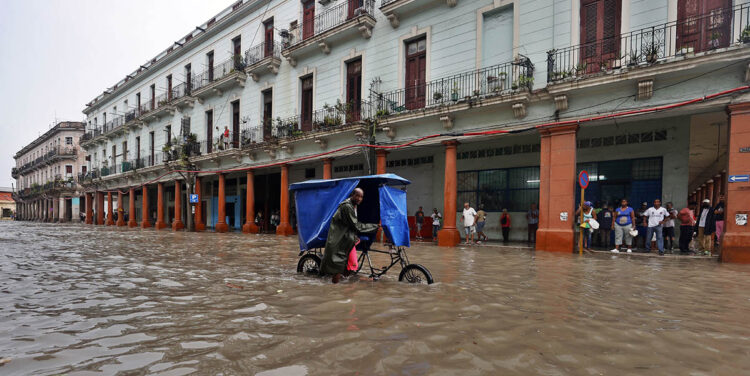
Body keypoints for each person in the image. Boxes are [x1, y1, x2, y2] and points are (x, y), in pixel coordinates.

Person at [320, 188, 379, 283]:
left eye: (361, 197)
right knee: (339, 266)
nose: (359, 199)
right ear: (352, 195)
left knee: (350, 265)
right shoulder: (347, 207)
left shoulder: (353, 206)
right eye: (357, 196)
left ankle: (344, 284)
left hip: (348, 238)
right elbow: (356, 225)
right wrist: (375, 227)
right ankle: (334, 288)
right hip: (340, 239)